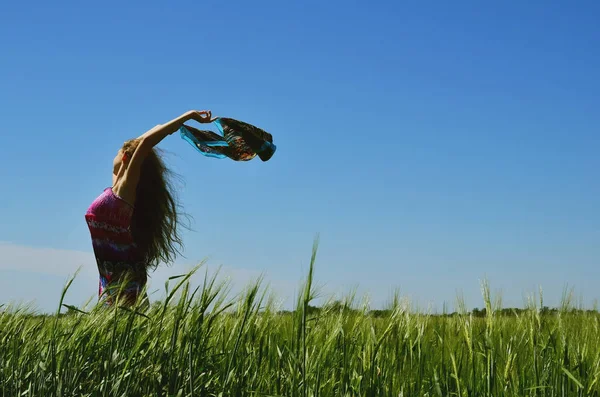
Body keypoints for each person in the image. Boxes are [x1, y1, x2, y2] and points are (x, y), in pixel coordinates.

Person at [84, 110, 214, 307]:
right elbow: (144, 139)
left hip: (123, 275)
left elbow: (144, 144)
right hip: (110, 276)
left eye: (121, 151)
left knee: (128, 325)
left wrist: (188, 116)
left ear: (127, 158)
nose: (116, 152)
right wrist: (156, 130)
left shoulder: (125, 189)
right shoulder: (115, 184)